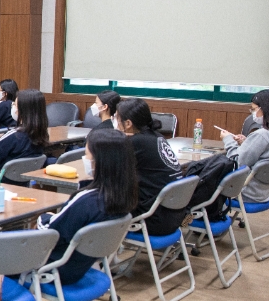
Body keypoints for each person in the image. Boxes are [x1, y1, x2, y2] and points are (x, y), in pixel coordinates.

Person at [37, 129, 137, 284]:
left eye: (87, 155)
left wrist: (42, 217)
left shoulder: (88, 201)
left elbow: (51, 233)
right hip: (81, 265)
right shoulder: (123, 195)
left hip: (54, 269)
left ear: (100, 162)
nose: (85, 159)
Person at [115, 98, 184, 236]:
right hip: (174, 215)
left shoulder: (136, 142)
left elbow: (111, 170)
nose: (115, 123)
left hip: (153, 219)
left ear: (128, 123)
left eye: (117, 118)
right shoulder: (157, 136)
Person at [218, 89, 269, 203]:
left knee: (204, 182)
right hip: (264, 193)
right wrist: (247, 142)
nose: (252, 113)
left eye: (254, 109)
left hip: (244, 192)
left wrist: (228, 140)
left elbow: (236, 162)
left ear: (265, 109)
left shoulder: (262, 135)